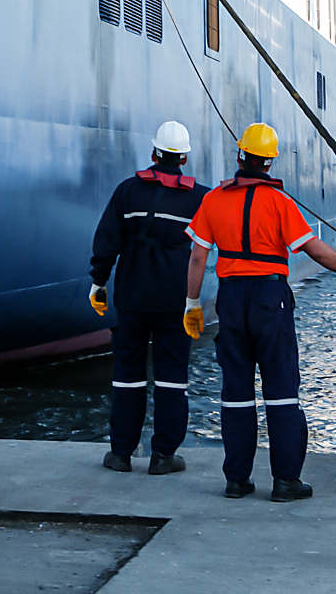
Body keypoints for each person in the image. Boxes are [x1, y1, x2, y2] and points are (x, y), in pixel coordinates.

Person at [184, 122, 336, 501]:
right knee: (282, 392)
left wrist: (192, 304)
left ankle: (236, 480)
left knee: (235, 393)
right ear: (270, 163)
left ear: (240, 156)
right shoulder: (281, 204)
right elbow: (314, 250)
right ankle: (286, 480)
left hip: (231, 299)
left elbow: (197, 257)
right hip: (271, 298)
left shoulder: (214, 200)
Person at [88, 119, 210, 475]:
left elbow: (106, 239)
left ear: (154, 153)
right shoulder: (200, 198)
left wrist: (98, 282)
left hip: (132, 297)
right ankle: (163, 456)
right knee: (173, 378)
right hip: (175, 300)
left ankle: (121, 454)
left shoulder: (127, 191)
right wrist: (194, 302)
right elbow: (206, 249)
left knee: (127, 375)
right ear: (184, 159)